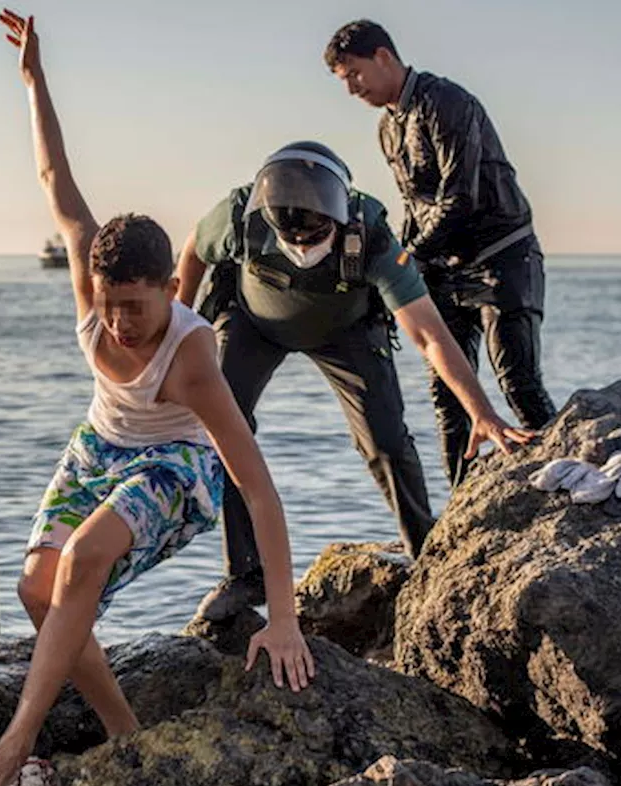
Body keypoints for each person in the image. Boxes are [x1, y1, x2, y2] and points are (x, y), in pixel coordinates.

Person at [0, 9, 315, 786]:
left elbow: (255, 484)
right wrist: (35, 80)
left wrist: (283, 614)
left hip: (179, 465)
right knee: (35, 588)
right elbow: (55, 178)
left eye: (137, 306)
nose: (121, 322)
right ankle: (127, 734)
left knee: (84, 560)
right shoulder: (94, 282)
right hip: (100, 447)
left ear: (170, 288)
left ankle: (17, 739)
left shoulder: (190, 357)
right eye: (111, 305)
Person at [178, 141, 535, 622]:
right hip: (253, 322)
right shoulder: (240, 214)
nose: (303, 248)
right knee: (227, 429)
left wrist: (481, 411)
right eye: (293, 239)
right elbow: (195, 251)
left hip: (345, 330)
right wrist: (177, 328)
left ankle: (423, 549)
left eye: (315, 236)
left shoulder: (372, 238)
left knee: (385, 440)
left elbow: (428, 334)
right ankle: (246, 574)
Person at [325, 20, 557, 488]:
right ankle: (461, 505)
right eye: (343, 81)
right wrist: (396, 258)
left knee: (518, 382)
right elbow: (414, 206)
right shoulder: (387, 128)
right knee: (447, 394)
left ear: (384, 57)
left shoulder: (446, 101)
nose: (351, 88)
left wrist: (406, 258)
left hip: (502, 254)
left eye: (354, 74)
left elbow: (460, 197)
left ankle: (567, 479)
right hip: (443, 267)